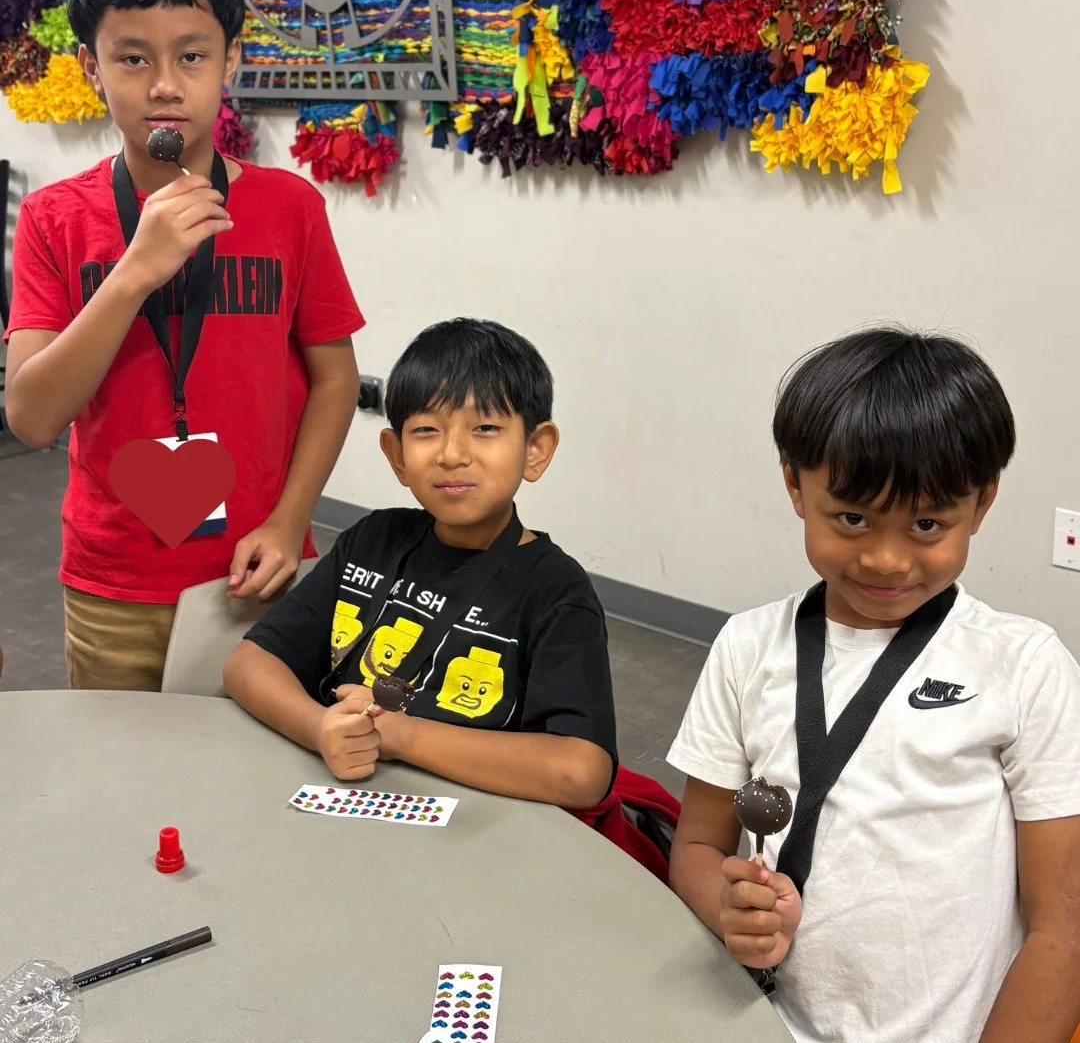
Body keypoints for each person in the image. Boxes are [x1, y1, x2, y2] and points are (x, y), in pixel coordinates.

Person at [667, 328, 1080, 1043]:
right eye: (851, 518)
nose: (886, 559)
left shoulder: (1025, 665)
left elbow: (1063, 925)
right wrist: (729, 909)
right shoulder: (746, 647)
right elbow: (698, 849)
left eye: (927, 524)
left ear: (980, 504)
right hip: (770, 1023)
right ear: (796, 485)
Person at [3, 0, 363, 691]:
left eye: (191, 56)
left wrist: (291, 520)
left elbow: (335, 380)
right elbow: (30, 418)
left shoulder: (290, 208)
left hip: (258, 568)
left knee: (253, 782)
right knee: (126, 789)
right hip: (113, 580)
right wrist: (135, 273)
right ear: (91, 67)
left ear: (230, 59)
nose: (164, 84)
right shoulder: (55, 218)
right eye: (132, 59)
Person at [224, 318, 616, 809]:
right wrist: (318, 727)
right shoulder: (371, 541)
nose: (452, 455)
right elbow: (248, 663)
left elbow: (580, 772)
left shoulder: (556, 592)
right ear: (397, 455)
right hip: (342, 793)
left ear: (535, 450)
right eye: (427, 430)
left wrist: (400, 736)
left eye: (486, 428)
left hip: (475, 828)